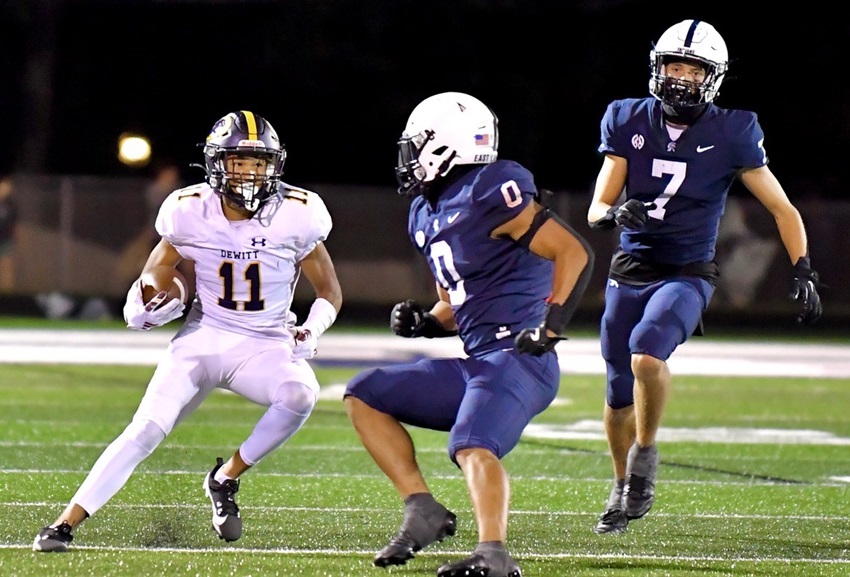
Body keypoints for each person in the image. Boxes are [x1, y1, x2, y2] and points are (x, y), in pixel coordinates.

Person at [33, 110, 343, 552]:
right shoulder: (188, 210)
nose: (251, 172)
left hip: (265, 342)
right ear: (218, 164)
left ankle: (225, 478)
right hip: (205, 335)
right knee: (145, 429)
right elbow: (156, 272)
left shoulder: (299, 214)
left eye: (260, 162)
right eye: (239, 161)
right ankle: (65, 523)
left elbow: (330, 292)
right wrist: (144, 305)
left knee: (300, 395)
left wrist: (312, 329)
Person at [586, 19, 823, 535]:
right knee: (616, 388)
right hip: (631, 267)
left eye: (694, 70)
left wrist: (803, 267)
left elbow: (783, 209)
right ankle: (619, 484)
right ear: (657, 67)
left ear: (711, 79)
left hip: (687, 270)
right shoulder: (626, 118)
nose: (682, 79)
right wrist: (614, 215)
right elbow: (597, 207)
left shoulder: (733, 130)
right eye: (675, 66)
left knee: (647, 352)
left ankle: (644, 458)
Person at [344, 92, 594, 577]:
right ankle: (423, 509)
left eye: (417, 146)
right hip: (479, 358)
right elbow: (456, 305)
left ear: (446, 147)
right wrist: (427, 322)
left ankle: (494, 553)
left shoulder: (491, 188)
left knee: (471, 442)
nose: (410, 157)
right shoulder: (425, 212)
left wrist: (551, 326)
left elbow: (573, 251)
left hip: (521, 357)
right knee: (365, 393)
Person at [0, 176, 19, 292]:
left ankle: (7, 293)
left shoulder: (11, 204)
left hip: (6, 241)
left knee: (7, 270)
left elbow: (14, 222)